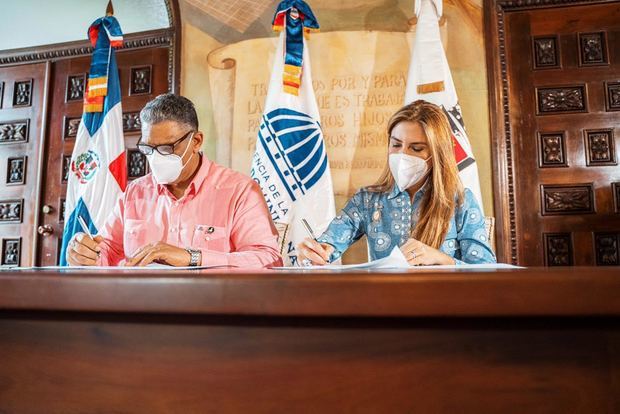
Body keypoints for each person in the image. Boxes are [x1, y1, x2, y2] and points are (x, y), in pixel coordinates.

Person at [66, 93, 282, 268]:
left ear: (196, 141)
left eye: (167, 148)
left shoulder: (239, 190)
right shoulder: (135, 192)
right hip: (141, 309)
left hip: (212, 311)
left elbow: (268, 259)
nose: (156, 157)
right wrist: (84, 253)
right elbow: (107, 251)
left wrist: (193, 257)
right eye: (148, 148)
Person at [297, 100, 496, 266]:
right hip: (384, 305)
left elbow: (486, 270)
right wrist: (315, 252)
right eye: (396, 144)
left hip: (441, 306)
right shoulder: (367, 200)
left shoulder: (460, 201)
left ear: (437, 154)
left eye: (416, 149)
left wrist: (441, 259)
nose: (402, 155)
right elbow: (329, 244)